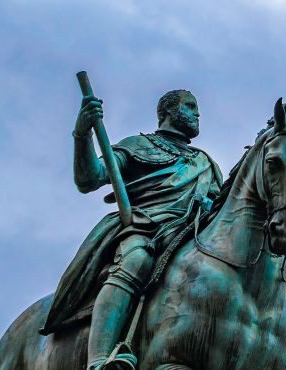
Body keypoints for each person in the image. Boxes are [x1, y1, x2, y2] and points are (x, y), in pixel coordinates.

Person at [41, 90, 223, 370]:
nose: (197, 113)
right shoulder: (139, 145)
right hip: (148, 227)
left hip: (192, 234)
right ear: (167, 112)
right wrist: (82, 135)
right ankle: (100, 359)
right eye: (190, 106)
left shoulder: (206, 163)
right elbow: (90, 178)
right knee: (135, 260)